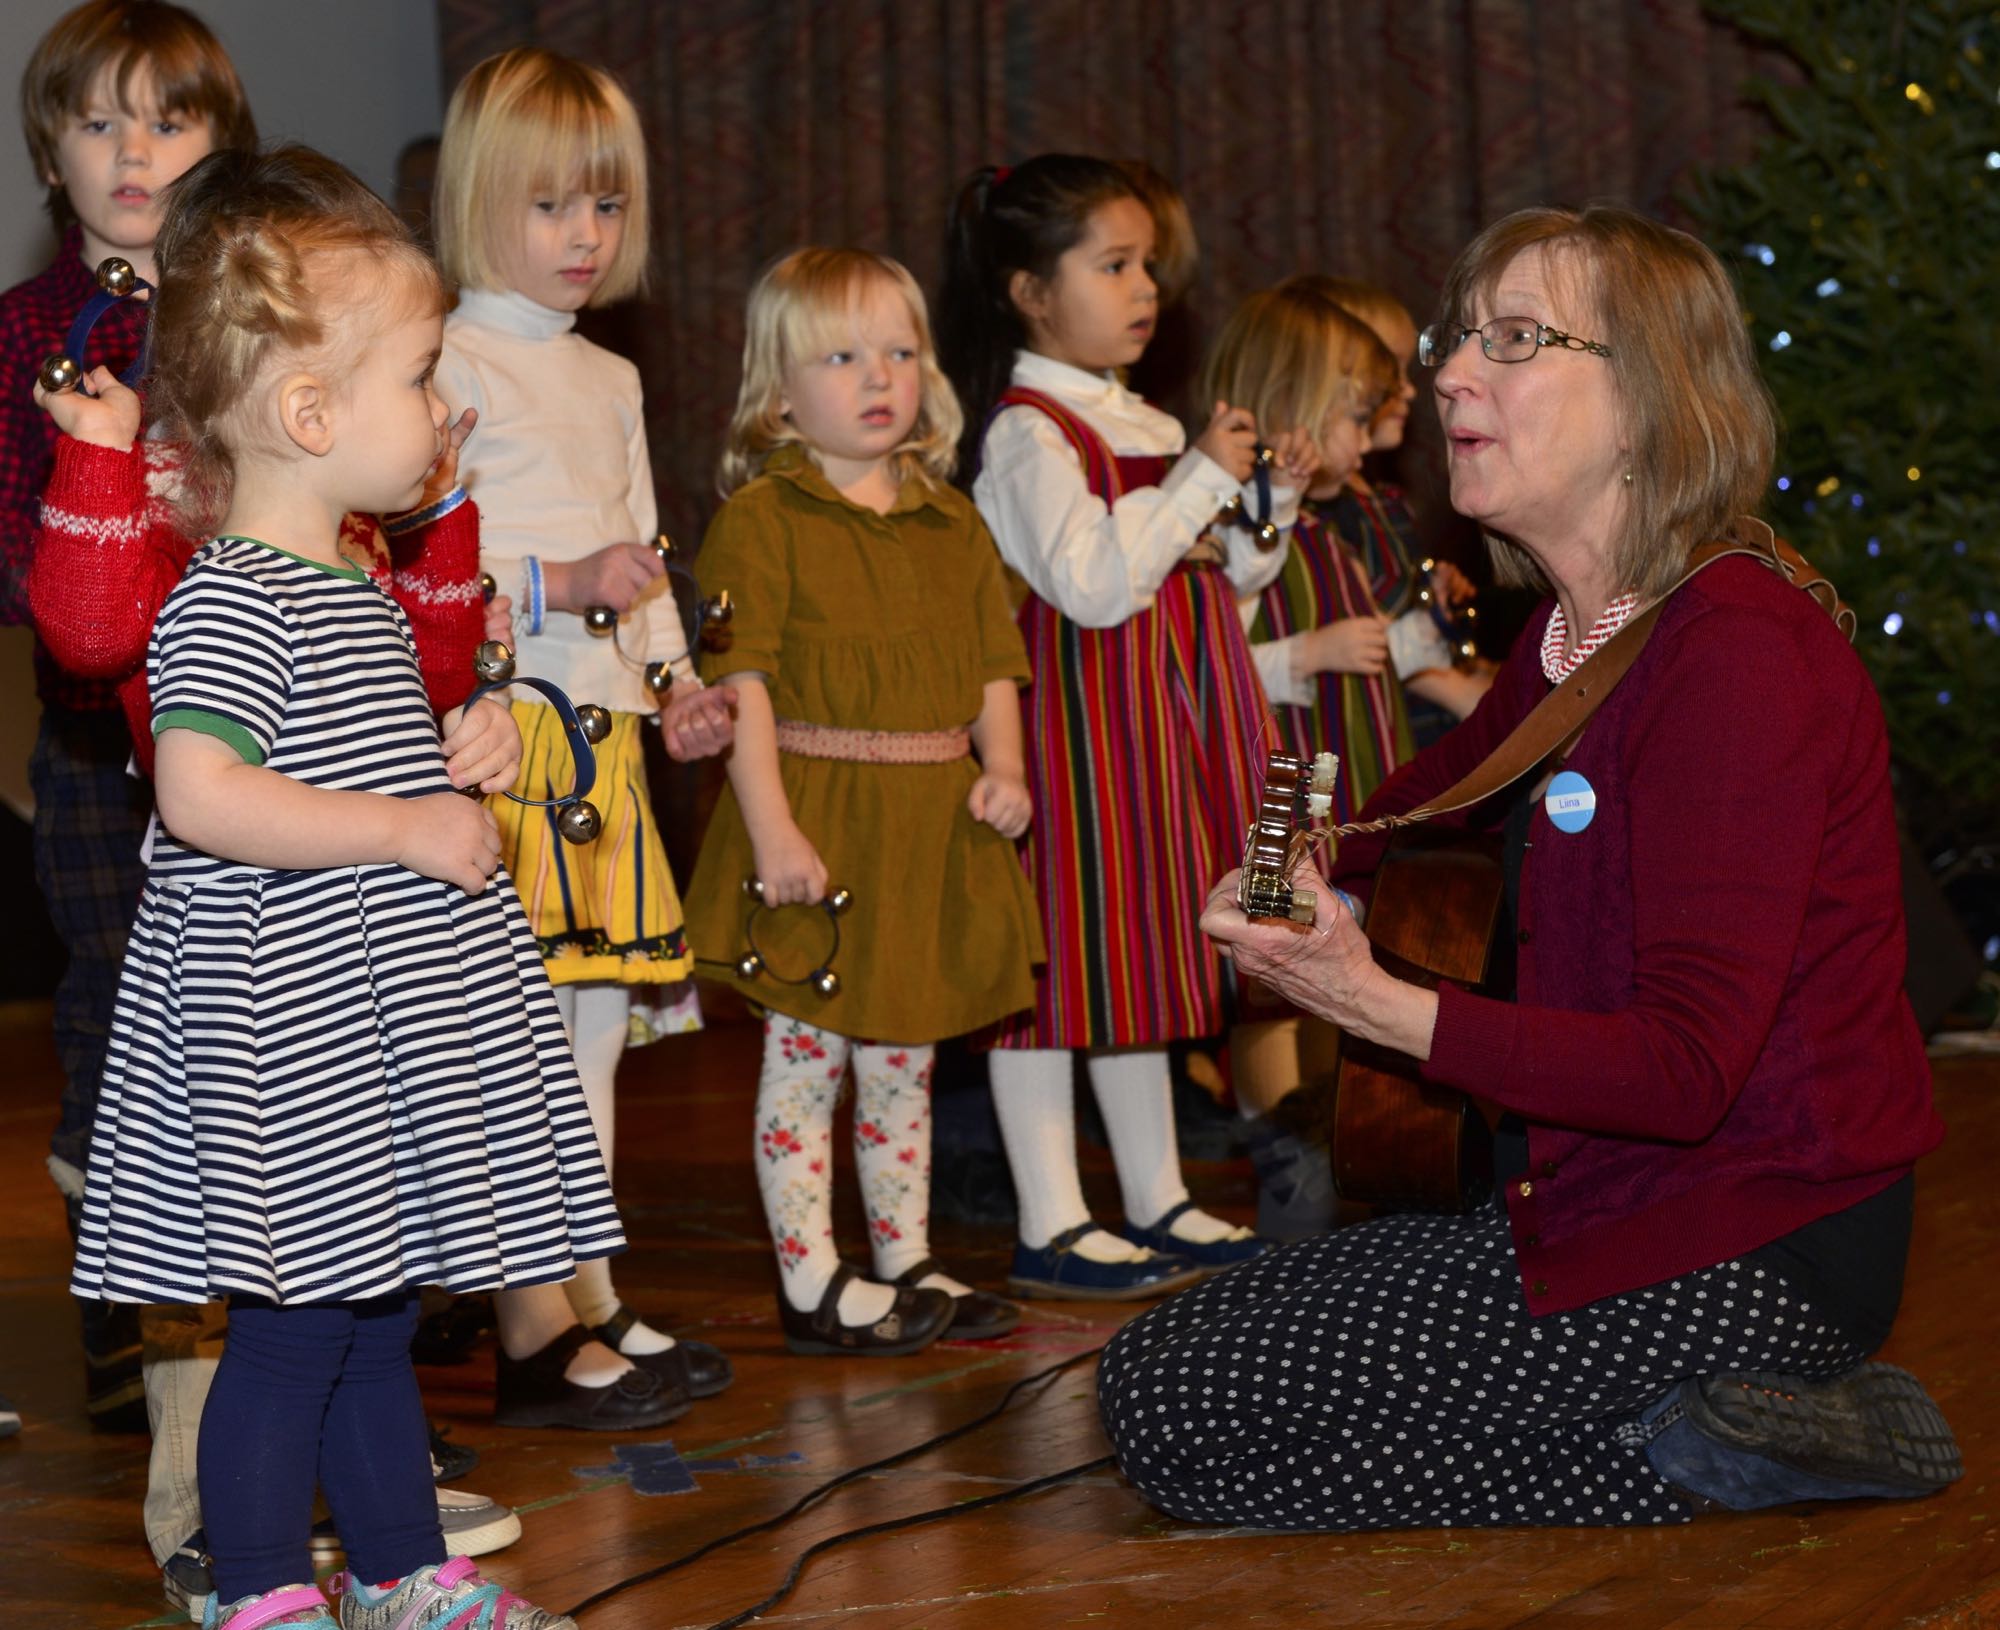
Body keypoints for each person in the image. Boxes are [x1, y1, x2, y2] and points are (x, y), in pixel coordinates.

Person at [1097, 204, 1960, 1530]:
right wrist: (1299, 875)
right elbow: (1411, 816)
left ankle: (1740, 1442)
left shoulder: (1736, 658)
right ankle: (1690, 1423)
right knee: (1158, 1376)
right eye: (1456, 339)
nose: (1450, 373)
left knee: (1175, 1412)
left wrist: (1373, 1002)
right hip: (1585, 1197)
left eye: (1512, 339)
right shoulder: (1578, 635)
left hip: (1754, 1240)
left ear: (1645, 399)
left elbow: (1684, 1070)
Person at [66, 145, 602, 1629]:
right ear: (310, 414)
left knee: (370, 1311)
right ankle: (256, 1593)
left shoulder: (348, 580)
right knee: (297, 1326)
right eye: (420, 376)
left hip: (362, 1020)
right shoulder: (236, 595)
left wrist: (461, 742)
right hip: (288, 1029)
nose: (441, 407)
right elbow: (202, 791)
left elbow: (358, 748)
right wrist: (406, 830)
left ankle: (399, 1567)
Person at [432, 45, 735, 1428]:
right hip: (507, 742)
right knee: (512, 1043)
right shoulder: (449, 358)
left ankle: (592, 1287)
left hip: (606, 742)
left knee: (594, 1035)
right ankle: (526, 1315)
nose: (584, 234)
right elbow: (424, 567)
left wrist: (676, 684)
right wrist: (561, 586)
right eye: (551, 203)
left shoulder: (609, 375)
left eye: (606, 206)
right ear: (480, 197)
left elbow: (643, 552)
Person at [939, 154, 1297, 1298]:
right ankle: (1050, 1218)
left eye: (1147, 265)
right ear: (1029, 292)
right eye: (1112, 265)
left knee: (1134, 961)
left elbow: (1225, 579)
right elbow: (1089, 585)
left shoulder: (1141, 417)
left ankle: (1155, 1196)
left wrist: (1264, 503)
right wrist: (1193, 479)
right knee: (1057, 970)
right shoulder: (1026, 431)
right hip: (1072, 734)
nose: (1144, 288)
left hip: (1154, 732)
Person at [683, 247, 1043, 1353]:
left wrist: (1004, 768)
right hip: (820, 821)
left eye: (897, 351)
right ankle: (810, 1278)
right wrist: (773, 831)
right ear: (779, 391)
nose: (878, 376)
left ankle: (905, 1256)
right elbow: (742, 684)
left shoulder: (951, 522)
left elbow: (993, 666)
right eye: (841, 357)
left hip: (926, 825)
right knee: (807, 1064)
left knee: (905, 1060)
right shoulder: (764, 518)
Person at [0, 0, 253, 1435]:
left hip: (256, 720)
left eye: (168, 119)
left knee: (260, 1005)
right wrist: (93, 552)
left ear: (223, 143)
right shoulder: (23, 333)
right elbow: (6, 542)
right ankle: (126, 1298)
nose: (134, 150)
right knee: (116, 1003)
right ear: (53, 155)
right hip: (102, 741)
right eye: (99, 123)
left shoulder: (254, 314)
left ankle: (290, 1301)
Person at [1212, 282, 1414, 824]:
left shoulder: (1310, 525)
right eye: (1358, 419)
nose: (1366, 443)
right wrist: (1309, 655)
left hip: (1344, 769)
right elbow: (1216, 668)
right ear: (1295, 404)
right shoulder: (1240, 525)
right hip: (1284, 779)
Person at [1305, 274, 1490, 736]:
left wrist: (1436, 604)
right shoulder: (1319, 511)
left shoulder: (1383, 500)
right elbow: (1353, 639)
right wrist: (1454, 689)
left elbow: (1401, 616)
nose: (1408, 391)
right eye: (1387, 376)